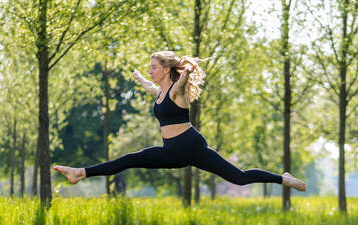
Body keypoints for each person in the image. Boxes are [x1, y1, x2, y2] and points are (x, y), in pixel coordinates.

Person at [53, 51, 307, 192]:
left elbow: (180, 87)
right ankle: (80, 173)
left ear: (166, 69)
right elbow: (153, 88)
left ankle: (282, 178)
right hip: (172, 152)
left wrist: (185, 74)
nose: (151, 70)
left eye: (153, 66)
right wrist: (141, 78)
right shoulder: (161, 92)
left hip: (191, 147)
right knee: (130, 159)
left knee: (238, 178)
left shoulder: (176, 91)